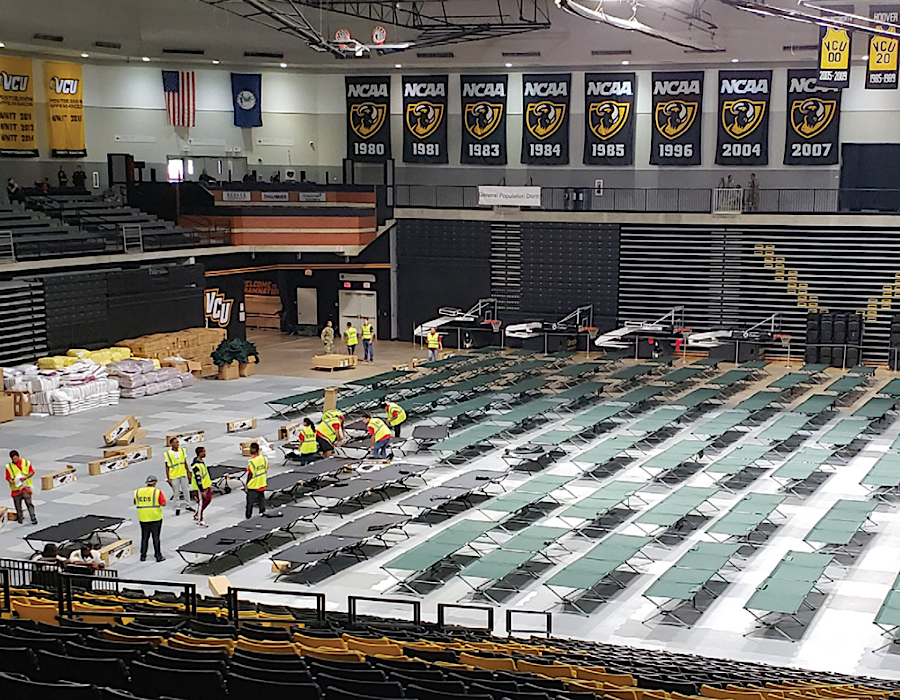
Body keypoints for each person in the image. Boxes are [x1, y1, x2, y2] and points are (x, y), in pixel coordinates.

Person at [134, 475, 166, 562]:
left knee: (144, 537)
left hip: (143, 518)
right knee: (156, 537)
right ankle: (158, 556)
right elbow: (163, 503)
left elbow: (135, 501)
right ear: (155, 482)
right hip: (155, 517)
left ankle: (143, 556)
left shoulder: (138, 491)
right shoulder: (156, 491)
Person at [5, 450, 36, 525]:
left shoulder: (26, 463)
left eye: (16, 458)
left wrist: (25, 477)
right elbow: (8, 477)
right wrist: (11, 481)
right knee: (18, 505)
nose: (15, 460)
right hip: (16, 489)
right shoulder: (9, 467)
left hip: (25, 487)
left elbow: (31, 472)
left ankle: (33, 517)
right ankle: (20, 517)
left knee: (29, 502)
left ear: (18, 457)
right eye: (13, 459)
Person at [164, 437, 193, 516]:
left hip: (183, 473)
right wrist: (169, 477)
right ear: (171, 444)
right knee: (176, 492)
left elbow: (184, 462)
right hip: (174, 475)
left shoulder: (182, 451)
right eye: (175, 442)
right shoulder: (168, 454)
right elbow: (167, 466)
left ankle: (188, 505)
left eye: (178, 442)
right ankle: (177, 507)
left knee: (186, 490)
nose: (177, 444)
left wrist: (188, 472)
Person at [190, 446, 213, 527]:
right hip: (200, 487)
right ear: (200, 453)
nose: (205, 453)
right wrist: (202, 490)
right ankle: (200, 520)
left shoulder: (201, 462)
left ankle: (197, 513)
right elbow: (198, 478)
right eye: (204, 452)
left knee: (208, 500)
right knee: (201, 502)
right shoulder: (196, 466)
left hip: (206, 484)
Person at [245, 442, 268, 519]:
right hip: (262, 483)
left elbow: (250, 474)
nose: (250, 450)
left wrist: (247, 484)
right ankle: (262, 514)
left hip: (254, 485)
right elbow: (266, 468)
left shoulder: (252, 461)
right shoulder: (264, 459)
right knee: (261, 500)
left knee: (250, 502)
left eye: (251, 448)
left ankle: (248, 517)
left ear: (254, 449)